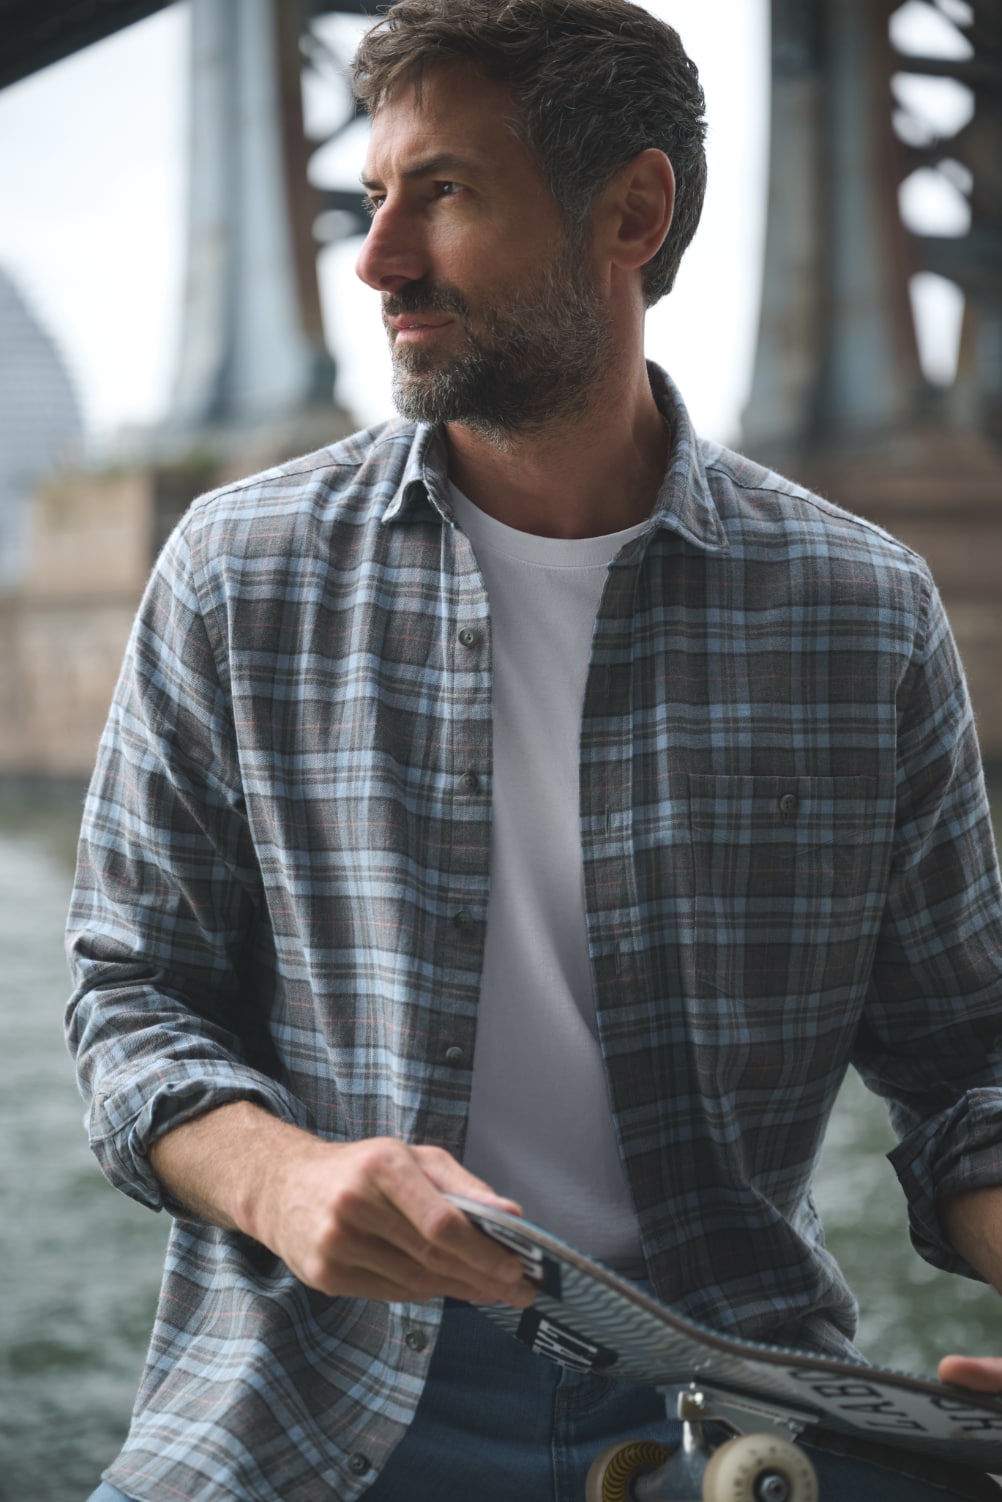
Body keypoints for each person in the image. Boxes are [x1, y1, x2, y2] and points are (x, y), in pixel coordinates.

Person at [66, 2, 1002, 1499]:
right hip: (301, 1399)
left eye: (440, 192)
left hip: (742, 1400)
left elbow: (966, 1075)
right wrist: (288, 1177)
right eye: (372, 198)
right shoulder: (235, 572)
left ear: (631, 209)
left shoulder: (862, 610)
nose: (374, 261)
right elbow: (131, 997)